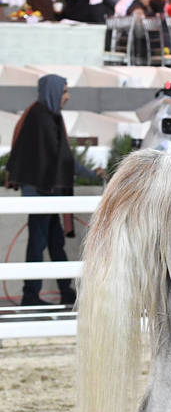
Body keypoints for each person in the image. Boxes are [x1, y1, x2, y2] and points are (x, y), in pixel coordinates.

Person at [5, 75, 104, 307]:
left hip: (47, 190)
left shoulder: (50, 116)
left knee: (54, 240)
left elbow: (62, 159)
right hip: (40, 191)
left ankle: (65, 292)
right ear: (53, 92)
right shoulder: (40, 118)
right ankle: (31, 296)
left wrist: (90, 173)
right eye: (64, 92)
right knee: (39, 241)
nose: (67, 97)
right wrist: (90, 174)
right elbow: (58, 161)